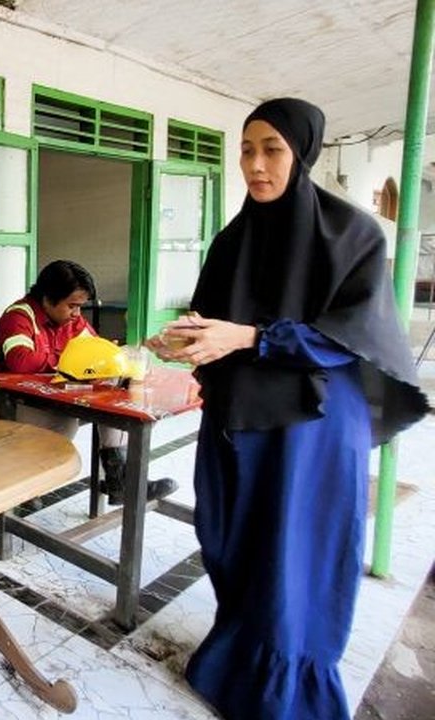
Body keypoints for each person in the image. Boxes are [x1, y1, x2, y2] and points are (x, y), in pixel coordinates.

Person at [148, 98, 429, 720]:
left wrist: (250, 337)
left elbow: (350, 338)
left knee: (293, 555)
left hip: (313, 426)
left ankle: (287, 695)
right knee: (232, 541)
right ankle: (235, 664)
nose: (254, 164)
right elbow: (215, 324)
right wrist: (184, 340)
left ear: (302, 153)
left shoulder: (352, 234)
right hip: (237, 419)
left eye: (271, 149)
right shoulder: (232, 240)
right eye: (246, 149)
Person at [0, 259, 178, 504]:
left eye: (80, 307)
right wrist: (74, 361)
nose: (77, 314)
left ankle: (120, 478)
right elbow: (22, 361)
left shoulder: (72, 321)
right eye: (72, 306)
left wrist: (110, 360)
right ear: (48, 299)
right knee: (65, 423)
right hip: (1, 400)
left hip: (45, 395)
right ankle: (28, 481)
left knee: (113, 392)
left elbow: (95, 351)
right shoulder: (19, 317)